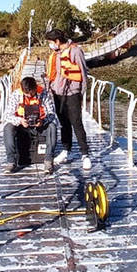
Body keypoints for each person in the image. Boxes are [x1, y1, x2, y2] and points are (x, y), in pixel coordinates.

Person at [44, 28, 91, 170]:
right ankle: (66, 151)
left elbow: (83, 73)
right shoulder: (55, 54)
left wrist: (81, 93)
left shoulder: (76, 51)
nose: (50, 45)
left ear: (57, 41)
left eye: (51, 42)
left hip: (72, 93)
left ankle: (85, 154)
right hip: (57, 93)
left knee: (77, 123)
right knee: (63, 123)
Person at [2, 76, 58, 174]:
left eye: (31, 93)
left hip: (40, 125)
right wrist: (19, 120)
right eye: (26, 94)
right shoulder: (15, 95)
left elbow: (52, 113)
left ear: (35, 88)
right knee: (7, 128)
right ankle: (11, 162)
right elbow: (7, 115)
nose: (29, 96)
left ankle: (48, 161)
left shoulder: (44, 94)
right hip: (22, 126)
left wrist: (42, 121)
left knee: (52, 127)